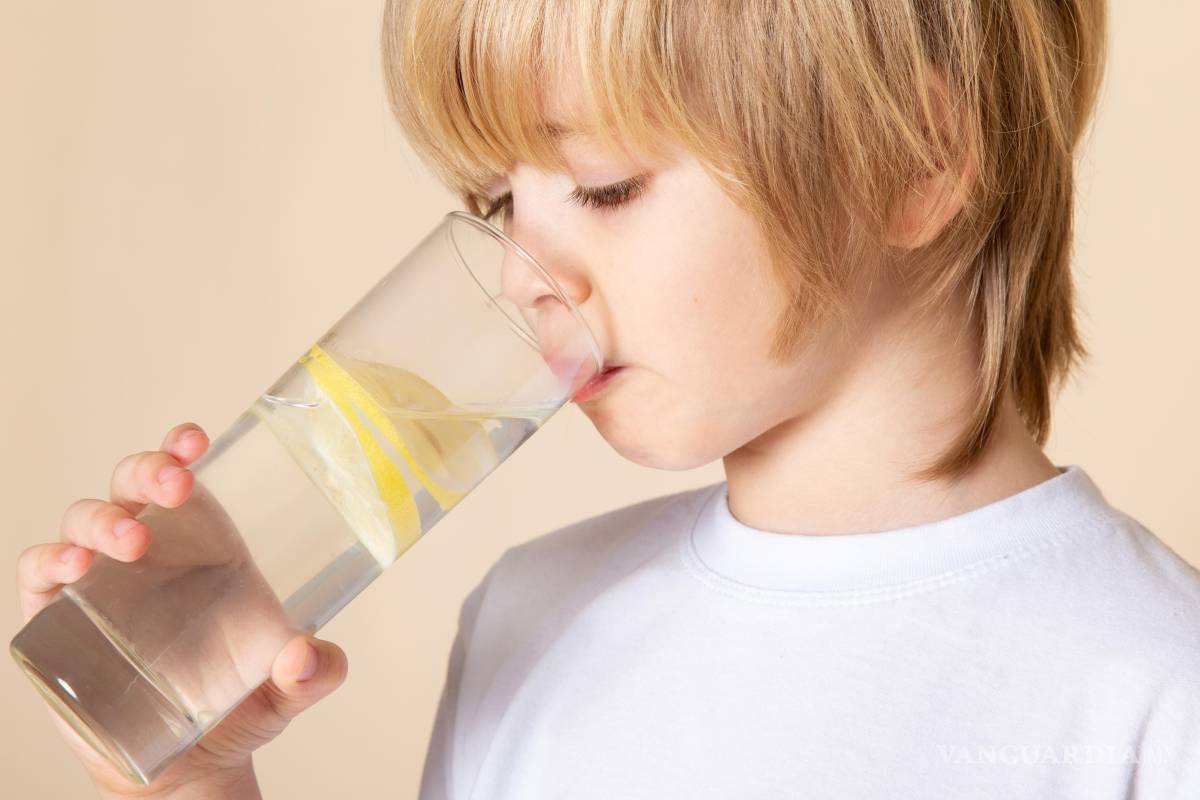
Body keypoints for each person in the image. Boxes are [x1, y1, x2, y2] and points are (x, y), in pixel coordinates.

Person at [17, 0, 1200, 797]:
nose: (528, 276)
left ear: (910, 162)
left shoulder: (1152, 687)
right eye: (498, 205)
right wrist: (201, 781)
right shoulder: (528, 618)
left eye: (603, 185)